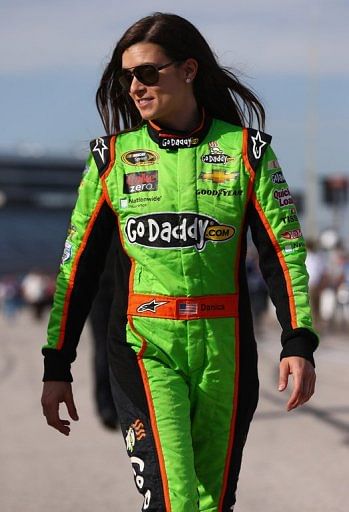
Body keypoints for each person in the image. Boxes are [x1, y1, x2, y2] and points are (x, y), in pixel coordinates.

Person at [41, 12, 318, 512]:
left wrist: (298, 341)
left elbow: (283, 252)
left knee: (212, 504)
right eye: (126, 77)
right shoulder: (111, 159)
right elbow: (75, 268)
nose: (135, 87)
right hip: (146, 347)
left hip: (225, 351)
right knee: (175, 502)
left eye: (147, 73)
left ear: (188, 70)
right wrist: (56, 364)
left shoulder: (247, 151)